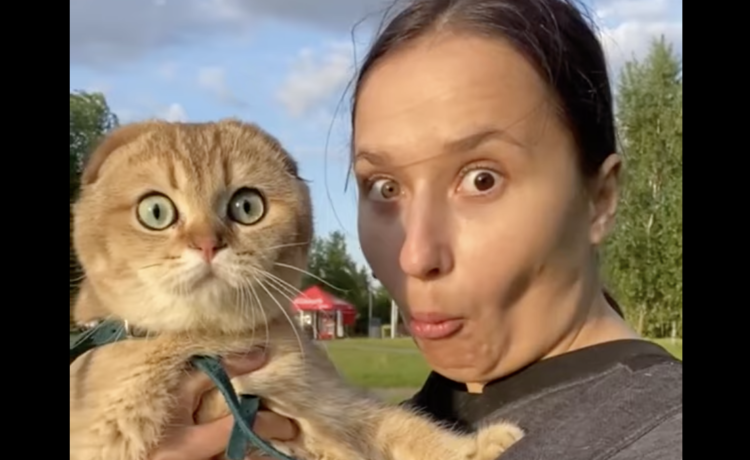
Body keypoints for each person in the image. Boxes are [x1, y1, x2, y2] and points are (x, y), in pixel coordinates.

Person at [80, 0, 684, 459]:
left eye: (481, 179)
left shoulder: (658, 434)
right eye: (383, 188)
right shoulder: (418, 411)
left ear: (600, 198)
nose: (415, 254)